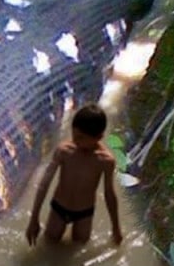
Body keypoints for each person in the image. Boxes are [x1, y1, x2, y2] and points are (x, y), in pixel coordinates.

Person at [26, 103, 124, 247]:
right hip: (59, 208)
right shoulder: (64, 151)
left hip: (84, 213)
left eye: (81, 137)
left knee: (79, 249)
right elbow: (44, 184)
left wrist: (116, 227)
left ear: (99, 137)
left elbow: (109, 194)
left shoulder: (105, 160)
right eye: (74, 135)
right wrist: (34, 218)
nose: (75, 140)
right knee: (48, 245)